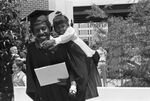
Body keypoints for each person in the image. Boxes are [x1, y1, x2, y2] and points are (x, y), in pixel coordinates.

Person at [25, 10, 91, 101]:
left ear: (50, 28)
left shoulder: (64, 45)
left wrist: (69, 82)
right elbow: (30, 75)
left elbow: (80, 71)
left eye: (44, 28)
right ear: (32, 32)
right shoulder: (32, 50)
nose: (41, 32)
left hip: (64, 94)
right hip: (44, 95)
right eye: (37, 30)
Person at [42, 12, 101, 99]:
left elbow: (66, 37)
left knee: (81, 77)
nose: (61, 29)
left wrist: (54, 41)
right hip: (72, 59)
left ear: (67, 25)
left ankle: (76, 88)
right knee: (72, 72)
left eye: (63, 26)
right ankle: (73, 86)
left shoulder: (70, 31)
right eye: (58, 28)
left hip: (82, 57)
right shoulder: (59, 38)